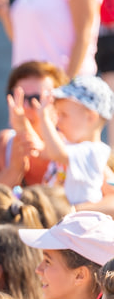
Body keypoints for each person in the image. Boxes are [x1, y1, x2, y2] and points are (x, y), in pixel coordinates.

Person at [0, 61, 69, 188]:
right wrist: (13, 170)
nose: (24, 107)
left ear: (58, 105)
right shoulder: (1, 145)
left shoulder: (74, 147)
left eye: (36, 99)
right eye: (17, 97)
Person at [0, 0, 103, 79]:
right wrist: (3, 10)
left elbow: (84, 36)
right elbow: (19, 37)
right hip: (28, 86)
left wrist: (66, 87)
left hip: (61, 86)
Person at [31, 75, 114, 205]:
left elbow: (57, 153)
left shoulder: (93, 151)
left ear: (91, 117)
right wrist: (22, 126)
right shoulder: (69, 144)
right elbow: (42, 151)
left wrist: (44, 119)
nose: (58, 120)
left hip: (79, 223)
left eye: (64, 115)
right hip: (63, 219)